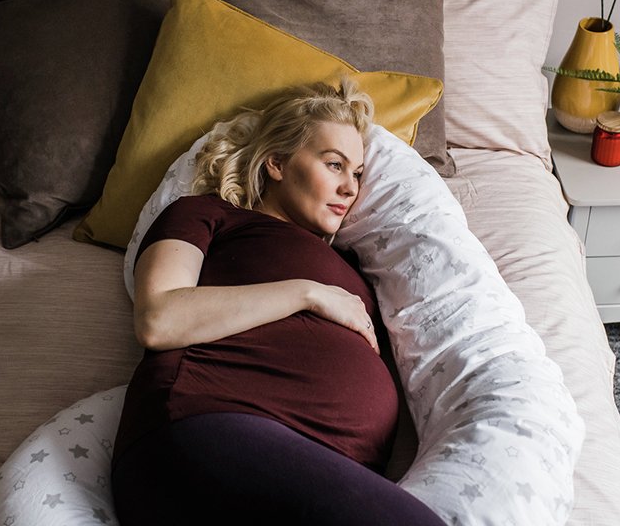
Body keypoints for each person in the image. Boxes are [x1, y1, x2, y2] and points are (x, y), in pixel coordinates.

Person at [111, 78, 446, 526]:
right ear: (277, 163)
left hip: (321, 467)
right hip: (209, 424)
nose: (350, 188)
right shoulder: (205, 214)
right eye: (334, 164)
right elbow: (158, 317)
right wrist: (306, 293)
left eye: (358, 173)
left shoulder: (353, 263)